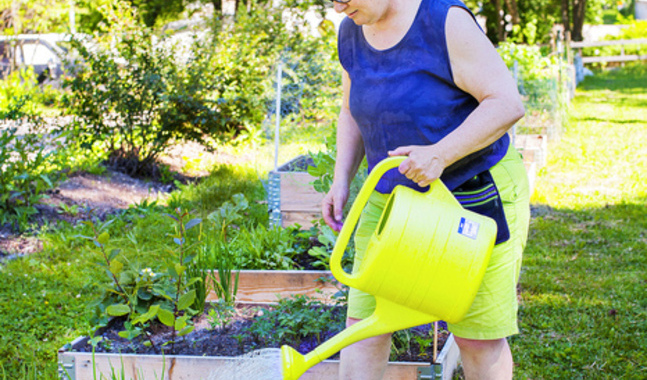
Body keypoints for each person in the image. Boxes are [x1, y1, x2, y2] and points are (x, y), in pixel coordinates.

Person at [321, 0, 531, 379]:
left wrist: (441, 154)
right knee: (363, 328)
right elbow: (350, 110)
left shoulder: (443, 21)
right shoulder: (351, 31)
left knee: (476, 338)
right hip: (390, 199)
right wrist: (341, 178)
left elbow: (506, 103)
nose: (337, 7)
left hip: (473, 192)